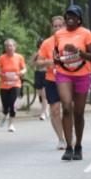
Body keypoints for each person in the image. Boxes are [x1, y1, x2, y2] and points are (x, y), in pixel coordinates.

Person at [52, 5, 91, 161]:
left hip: (82, 74)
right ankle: (69, 148)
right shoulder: (59, 34)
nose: (70, 18)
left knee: (78, 113)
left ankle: (78, 146)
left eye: (73, 15)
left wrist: (77, 52)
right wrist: (56, 59)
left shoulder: (86, 34)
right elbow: (55, 54)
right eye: (67, 15)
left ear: (79, 19)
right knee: (66, 108)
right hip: (64, 73)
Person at [36, 15, 67, 149]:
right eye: (55, 26)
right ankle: (61, 139)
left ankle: (69, 134)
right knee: (54, 110)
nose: (58, 28)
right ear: (52, 28)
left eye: (60, 25)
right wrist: (50, 61)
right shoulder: (46, 43)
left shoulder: (71, 41)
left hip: (68, 80)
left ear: (64, 26)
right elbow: (38, 63)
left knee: (68, 109)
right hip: (52, 80)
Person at [0, 39, 26, 132]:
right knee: (5, 106)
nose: (9, 48)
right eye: (7, 46)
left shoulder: (19, 57)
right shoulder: (2, 58)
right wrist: (2, 74)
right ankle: (5, 113)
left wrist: (21, 72)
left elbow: (24, 69)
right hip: (4, 85)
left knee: (13, 103)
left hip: (16, 84)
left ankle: (11, 124)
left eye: (11, 46)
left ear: (14, 47)